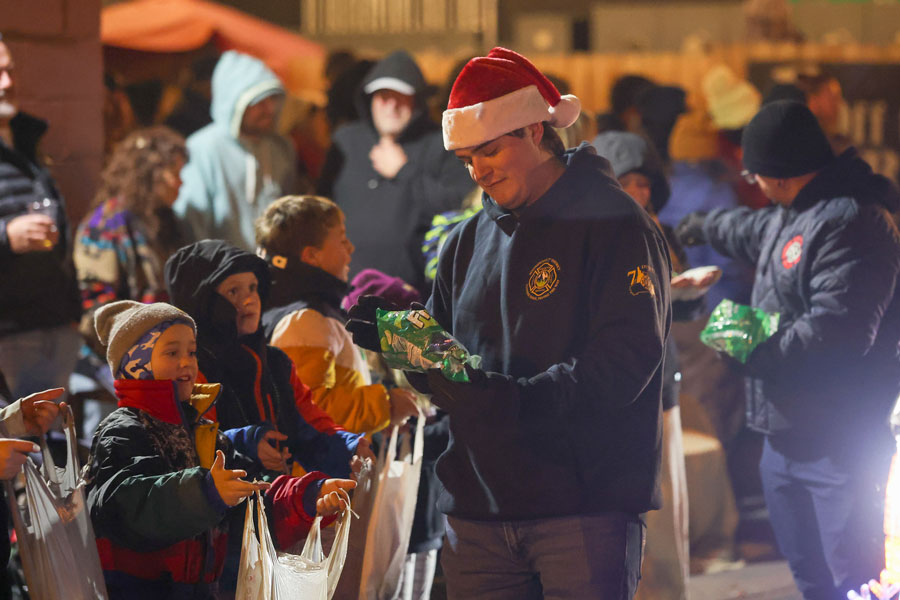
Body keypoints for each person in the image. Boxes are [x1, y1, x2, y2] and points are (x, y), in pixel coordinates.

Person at [348, 47, 672, 600]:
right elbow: (452, 369)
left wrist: (510, 400)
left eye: (489, 151)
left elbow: (625, 363)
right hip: (478, 508)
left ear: (534, 131)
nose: (477, 170)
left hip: (583, 502)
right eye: (466, 159)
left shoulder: (616, 222)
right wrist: (410, 349)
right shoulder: (465, 241)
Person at [675, 100, 900, 598]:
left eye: (755, 174)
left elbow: (835, 334)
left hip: (838, 441)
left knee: (854, 583)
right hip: (783, 436)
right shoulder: (794, 210)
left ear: (777, 175)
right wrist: (698, 226)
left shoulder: (852, 220)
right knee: (810, 579)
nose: (751, 184)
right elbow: (750, 230)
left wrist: (731, 330)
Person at [85, 300, 354, 599]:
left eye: (191, 351)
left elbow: (253, 495)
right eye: (172, 353)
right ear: (135, 365)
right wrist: (204, 492)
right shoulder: (123, 429)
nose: (186, 361)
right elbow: (122, 506)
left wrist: (305, 497)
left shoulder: (204, 431)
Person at [164, 239, 372, 589]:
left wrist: (349, 446)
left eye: (254, 287)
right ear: (203, 300)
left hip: (277, 518)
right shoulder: (192, 371)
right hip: (218, 538)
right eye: (232, 290)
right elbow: (193, 444)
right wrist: (248, 441)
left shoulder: (275, 363)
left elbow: (311, 424)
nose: (249, 299)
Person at [593, 130, 716, 600]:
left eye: (646, 184)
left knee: (665, 518)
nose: (640, 193)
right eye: (629, 182)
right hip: (609, 396)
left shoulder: (655, 233)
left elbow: (676, 313)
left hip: (660, 389)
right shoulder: (590, 237)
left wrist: (686, 294)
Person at [256, 195, 419, 435]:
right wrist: (386, 405)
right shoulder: (305, 320)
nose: (350, 248)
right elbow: (312, 408)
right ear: (312, 256)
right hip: (319, 470)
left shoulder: (314, 311)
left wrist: (376, 422)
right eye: (342, 240)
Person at [317, 50, 473, 295]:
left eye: (401, 97)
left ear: (417, 101)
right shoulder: (346, 142)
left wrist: (405, 171)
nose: (391, 106)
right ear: (369, 99)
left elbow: (461, 208)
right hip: (342, 293)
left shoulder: (442, 144)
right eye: (383, 96)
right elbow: (320, 207)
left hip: (414, 298)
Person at [0, 35, 82, 401]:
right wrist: (6, 237)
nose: (8, 82)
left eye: (10, 70)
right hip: (8, 334)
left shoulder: (25, 140)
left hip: (51, 326)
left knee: (46, 451)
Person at [74, 126, 189, 352]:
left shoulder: (164, 220)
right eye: (174, 173)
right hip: (123, 359)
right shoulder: (104, 226)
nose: (180, 183)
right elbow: (99, 310)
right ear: (150, 174)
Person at [174, 50, 301, 250]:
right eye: (258, 101)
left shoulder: (281, 148)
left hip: (273, 273)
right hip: (222, 274)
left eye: (272, 99)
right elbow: (192, 222)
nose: (269, 109)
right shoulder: (203, 149)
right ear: (233, 102)